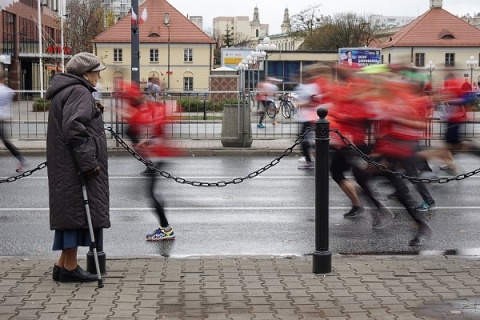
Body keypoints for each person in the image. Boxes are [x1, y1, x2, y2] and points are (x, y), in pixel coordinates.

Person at [46, 52, 110, 282]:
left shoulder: (67, 90)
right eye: (96, 72)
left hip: (64, 163)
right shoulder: (79, 91)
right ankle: (70, 268)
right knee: (75, 214)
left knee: (69, 214)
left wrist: (94, 110)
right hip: (74, 165)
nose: (98, 76)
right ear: (85, 74)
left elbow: (73, 120)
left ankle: (62, 264)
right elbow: (74, 128)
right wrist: (89, 164)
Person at [120, 82, 176, 241]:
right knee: (153, 193)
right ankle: (165, 228)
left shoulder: (144, 112)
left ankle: (166, 230)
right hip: (158, 156)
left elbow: (155, 131)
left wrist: (146, 142)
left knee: (152, 194)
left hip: (158, 156)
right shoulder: (149, 109)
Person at [0, 70, 26, 172]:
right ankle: (20, 158)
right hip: (3, 118)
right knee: (6, 142)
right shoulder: (7, 90)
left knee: (6, 142)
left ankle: (21, 158)